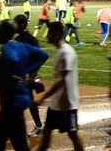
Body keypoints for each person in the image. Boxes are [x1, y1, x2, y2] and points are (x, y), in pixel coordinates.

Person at [0, 20, 48, 151]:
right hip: (17, 101)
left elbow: (13, 58)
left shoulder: (7, 48)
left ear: (5, 32)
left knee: (18, 144)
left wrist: (14, 73)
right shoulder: (22, 46)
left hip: (12, 102)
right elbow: (43, 55)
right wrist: (27, 72)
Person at [32, 21, 84, 151]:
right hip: (56, 104)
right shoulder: (60, 51)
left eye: (50, 32)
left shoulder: (66, 52)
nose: (47, 35)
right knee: (46, 135)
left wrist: (42, 98)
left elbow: (61, 80)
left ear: (57, 34)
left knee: (73, 135)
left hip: (68, 105)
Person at [13, 14, 45, 138]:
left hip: (27, 77)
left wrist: (32, 72)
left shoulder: (31, 40)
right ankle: (36, 125)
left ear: (22, 25)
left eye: (16, 24)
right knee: (24, 100)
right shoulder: (18, 38)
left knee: (25, 101)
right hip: (20, 75)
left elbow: (40, 57)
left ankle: (36, 125)